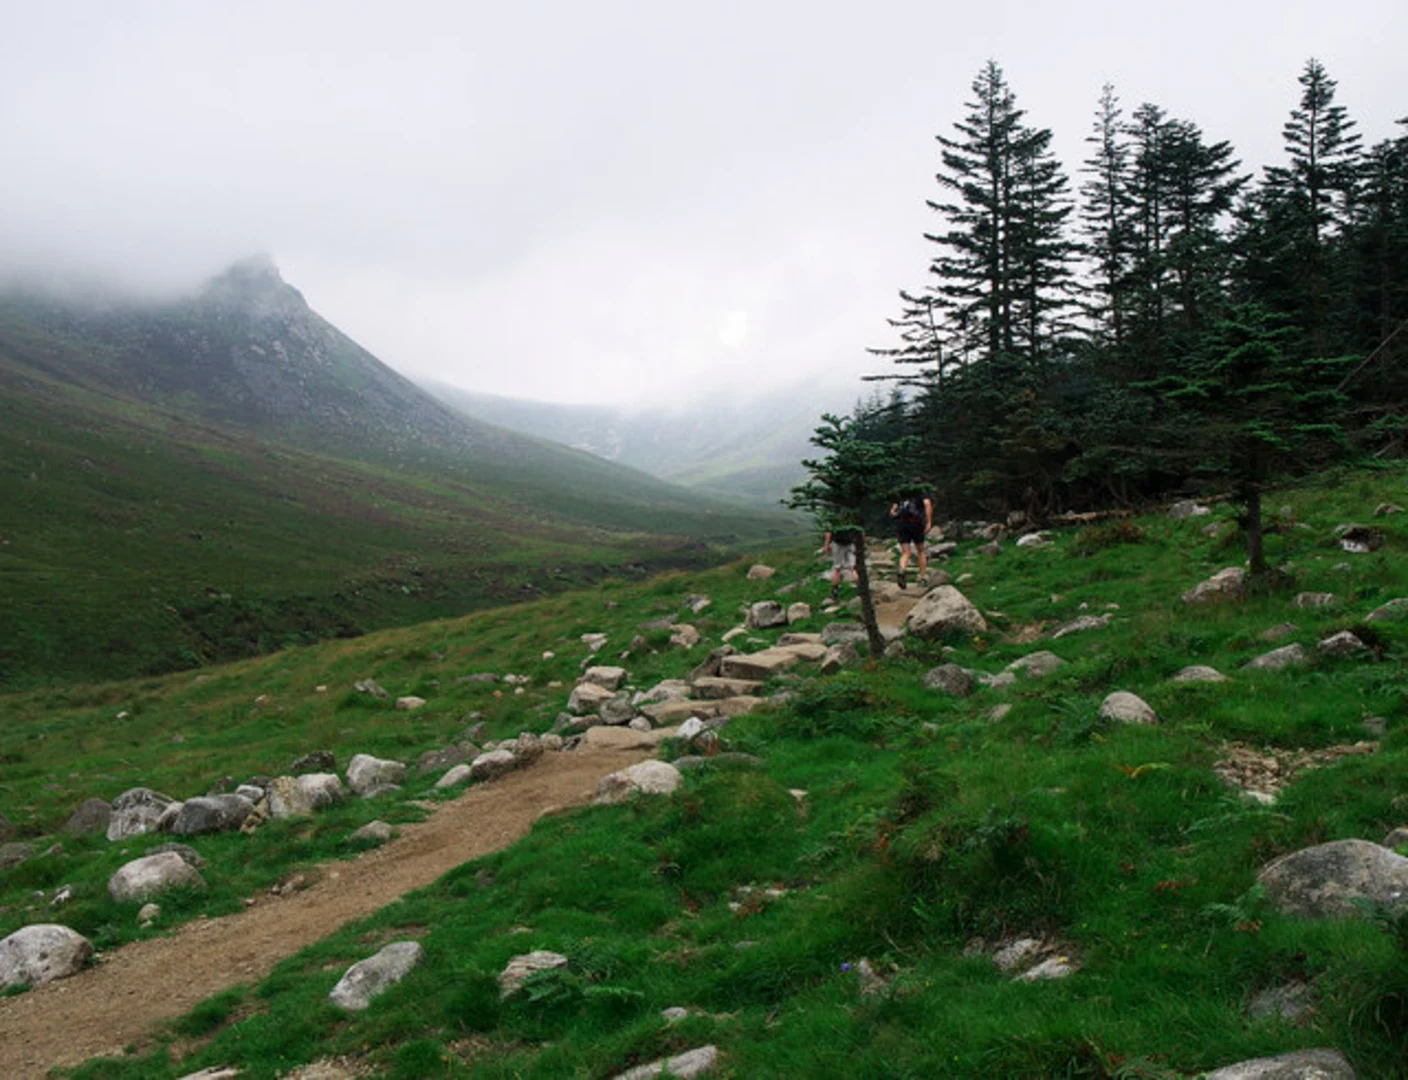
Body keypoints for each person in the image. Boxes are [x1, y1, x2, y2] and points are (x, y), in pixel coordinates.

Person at [889, 481, 933, 590]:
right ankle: (922, 576)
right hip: (915, 523)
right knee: (920, 550)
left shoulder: (902, 495)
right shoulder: (921, 493)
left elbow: (892, 511)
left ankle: (901, 570)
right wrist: (929, 522)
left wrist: (896, 516)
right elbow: (927, 505)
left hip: (902, 524)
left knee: (906, 552)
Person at [823, 524, 858, 603]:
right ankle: (860, 589)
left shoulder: (834, 518)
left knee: (836, 569)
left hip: (838, 544)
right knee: (853, 568)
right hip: (850, 543)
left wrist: (826, 545)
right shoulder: (851, 516)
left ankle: (835, 591)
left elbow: (829, 531)